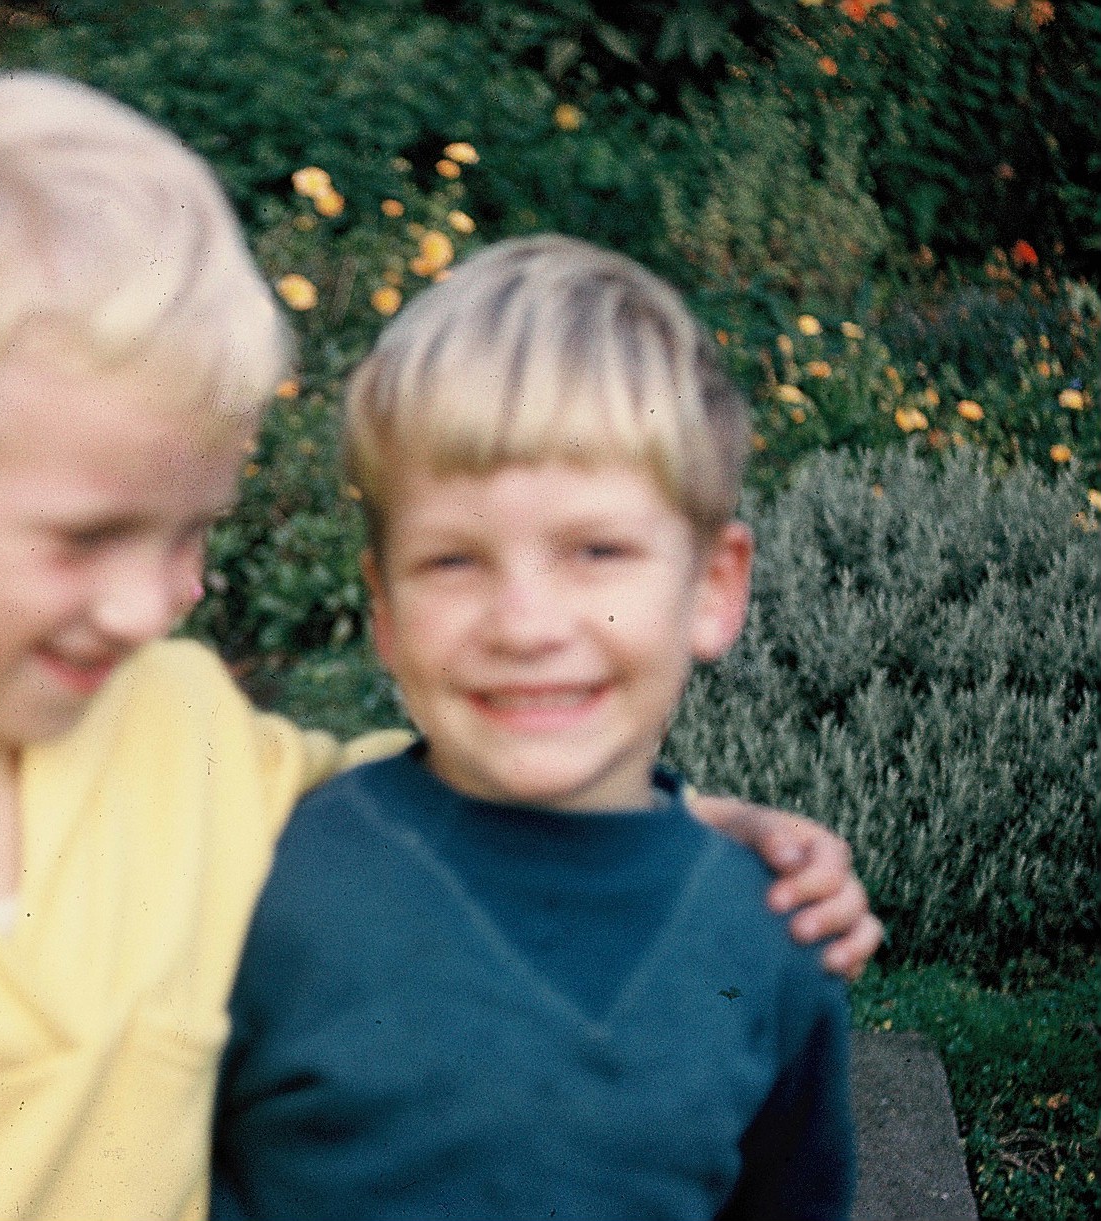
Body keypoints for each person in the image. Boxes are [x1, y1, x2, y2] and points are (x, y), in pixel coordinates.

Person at [0, 75, 874, 1221]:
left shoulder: (176, 733)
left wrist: (692, 823)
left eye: (189, 533)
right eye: (86, 536)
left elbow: (435, 795)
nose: (154, 605)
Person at [213, 234, 857, 1221]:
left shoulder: (772, 936)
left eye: (597, 551)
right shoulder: (272, 889)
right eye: (453, 561)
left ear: (714, 587)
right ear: (383, 607)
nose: (525, 625)